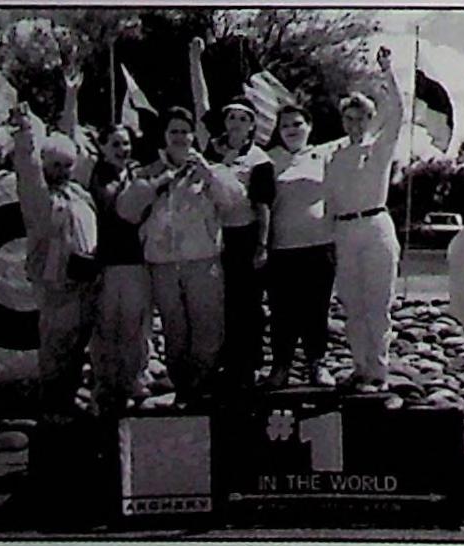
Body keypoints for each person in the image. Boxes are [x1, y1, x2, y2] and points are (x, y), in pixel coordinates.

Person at [8, 101, 102, 523]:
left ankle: (70, 451)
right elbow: (26, 167)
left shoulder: (78, 192)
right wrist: (26, 132)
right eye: (55, 164)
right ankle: (50, 451)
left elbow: (74, 137)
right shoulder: (37, 197)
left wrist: (70, 98)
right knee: (55, 363)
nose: (61, 170)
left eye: (66, 164)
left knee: (75, 363)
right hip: (56, 287)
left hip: (85, 286)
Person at [117, 106, 244, 408]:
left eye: (185, 132)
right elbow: (127, 211)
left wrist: (209, 175)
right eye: (173, 131)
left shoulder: (211, 169)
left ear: (193, 136)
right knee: (174, 329)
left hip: (203, 259)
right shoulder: (147, 172)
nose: (179, 137)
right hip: (162, 262)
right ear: (164, 136)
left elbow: (234, 202)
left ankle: (202, 385)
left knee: (208, 326)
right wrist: (157, 182)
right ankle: (183, 388)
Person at [57, 64, 152, 418]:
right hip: (104, 266)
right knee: (104, 330)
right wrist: (71, 96)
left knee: (136, 330)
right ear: (102, 146)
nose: (122, 149)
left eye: (126, 143)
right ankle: (104, 390)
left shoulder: (139, 173)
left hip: (137, 265)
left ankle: (132, 387)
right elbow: (68, 136)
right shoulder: (91, 172)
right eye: (115, 144)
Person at [190, 37, 274, 392]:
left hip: (243, 237)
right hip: (210, 237)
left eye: (243, 119)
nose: (236, 123)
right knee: (217, 303)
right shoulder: (211, 149)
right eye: (232, 117)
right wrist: (194, 60)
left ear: (252, 125)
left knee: (247, 304)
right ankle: (219, 362)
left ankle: (247, 365)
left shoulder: (260, 161)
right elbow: (200, 103)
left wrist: (261, 247)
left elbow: (263, 206)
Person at [324, 46, 403, 394]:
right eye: (349, 118)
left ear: (371, 119)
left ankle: (379, 371)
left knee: (378, 304)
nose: (355, 124)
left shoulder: (380, 148)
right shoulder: (333, 154)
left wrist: (388, 72)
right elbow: (328, 198)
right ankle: (360, 367)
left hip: (376, 227)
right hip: (343, 230)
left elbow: (397, 112)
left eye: (361, 118)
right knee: (352, 304)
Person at [262, 104, 337, 389]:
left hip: (319, 245)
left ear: (309, 126)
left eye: (297, 124)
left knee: (317, 310)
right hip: (281, 248)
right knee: (282, 313)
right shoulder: (268, 160)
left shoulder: (325, 155)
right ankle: (280, 367)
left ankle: (317, 364)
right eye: (285, 126)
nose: (291, 130)